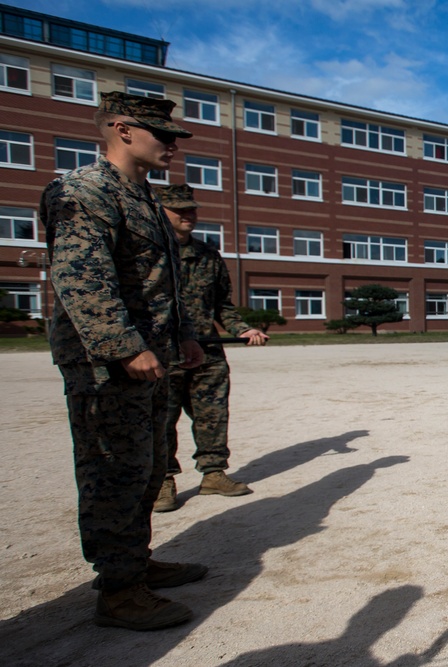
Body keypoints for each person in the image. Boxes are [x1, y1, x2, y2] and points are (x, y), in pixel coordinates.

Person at [42, 91, 207, 630]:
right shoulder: (83, 191)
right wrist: (122, 346)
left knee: (148, 465)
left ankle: (135, 564)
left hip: (152, 357)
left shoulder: (143, 198)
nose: (173, 146)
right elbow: (81, 278)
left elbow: (166, 282)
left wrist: (182, 335)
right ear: (123, 129)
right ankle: (118, 590)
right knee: (114, 471)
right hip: (108, 365)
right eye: (163, 135)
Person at [152, 184, 267, 512]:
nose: (189, 216)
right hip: (164, 352)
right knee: (162, 418)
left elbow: (223, 305)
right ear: (162, 211)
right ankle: (163, 480)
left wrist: (242, 328)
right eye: (180, 210)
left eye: (192, 210)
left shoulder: (208, 256)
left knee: (213, 415)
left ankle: (213, 473)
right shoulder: (149, 253)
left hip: (208, 351)